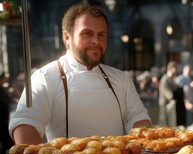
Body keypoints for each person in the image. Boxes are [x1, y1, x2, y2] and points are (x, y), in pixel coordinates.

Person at [9, 2, 151, 145]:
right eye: (87, 33)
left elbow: (138, 118)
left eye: (101, 35)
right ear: (67, 38)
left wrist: (147, 143)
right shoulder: (45, 78)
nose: (96, 41)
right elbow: (26, 123)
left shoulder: (121, 79)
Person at [158, 61, 186, 127]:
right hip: (165, 107)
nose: (176, 70)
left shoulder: (172, 79)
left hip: (171, 108)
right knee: (165, 127)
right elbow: (169, 95)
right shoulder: (165, 79)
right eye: (175, 68)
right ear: (171, 68)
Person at [0, 73, 13, 154]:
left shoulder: (3, 87)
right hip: (1, 116)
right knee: (5, 136)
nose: (7, 80)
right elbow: (5, 100)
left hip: (3, 116)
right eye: (6, 78)